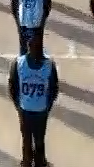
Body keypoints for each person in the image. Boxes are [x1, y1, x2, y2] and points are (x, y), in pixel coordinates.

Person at [9, 30, 60, 167]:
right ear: (29, 46)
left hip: (33, 110)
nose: (36, 49)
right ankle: (33, 162)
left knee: (34, 140)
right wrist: (19, 105)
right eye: (35, 46)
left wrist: (19, 105)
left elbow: (54, 88)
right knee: (32, 140)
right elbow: (12, 86)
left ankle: (33, 162)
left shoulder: (46, 65)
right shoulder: (20, 63)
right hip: (31, 110)